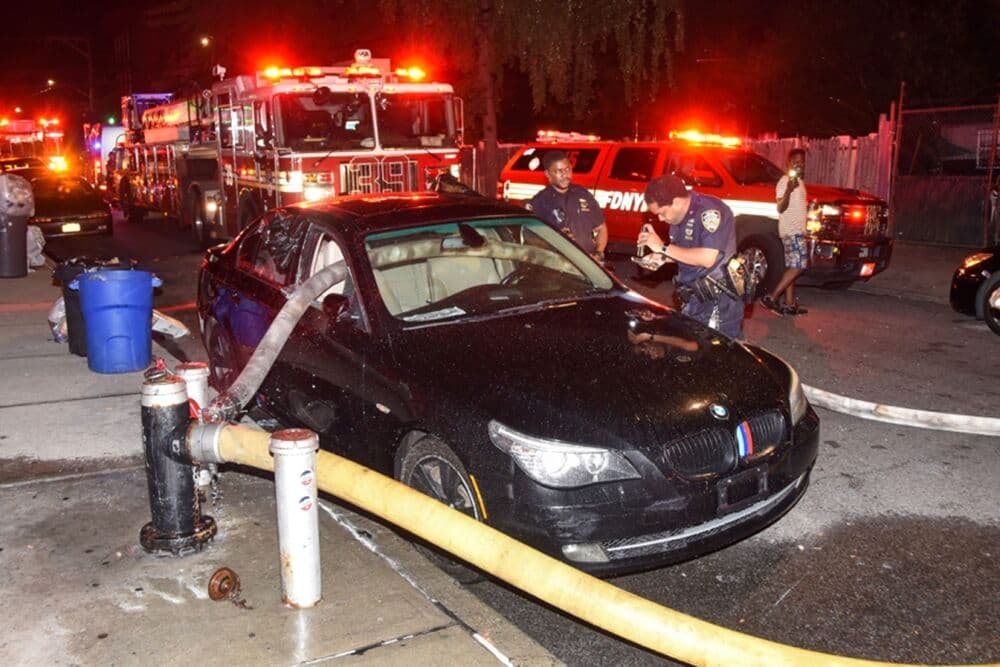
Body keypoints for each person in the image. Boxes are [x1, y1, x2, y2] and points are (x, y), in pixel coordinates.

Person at [637, 175, 744, 338]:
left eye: (662, 212)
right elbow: (687, 252)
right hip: (693, 298)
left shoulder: (710, 212)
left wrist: (663, 247)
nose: (660, 218)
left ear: (677, 201)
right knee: (691, 351)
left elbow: (708, 258)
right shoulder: (679, 217)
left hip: (717, 300)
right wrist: (662, 258)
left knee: (717, 354)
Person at [528, 150, 608, 261]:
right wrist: (556, 239)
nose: (565, 175)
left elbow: (601, 228)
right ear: (547, 174)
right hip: (560, 265)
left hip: (589, 264)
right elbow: (531, 239)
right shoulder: (540, 202)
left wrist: (599, 253)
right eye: (559, 171)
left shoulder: (583, 194)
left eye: (567, 169)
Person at [760, 148, 809, 316]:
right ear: (788, 163)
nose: (799, 164)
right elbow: (780, 207)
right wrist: (788, 190)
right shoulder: (784, 181)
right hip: (792, 231)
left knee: (792, 267)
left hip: (796, 230)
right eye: (795, 161)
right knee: (799, 266)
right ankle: (772, 297)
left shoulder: (799, 182)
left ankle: (789, 304)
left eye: (802, 161)